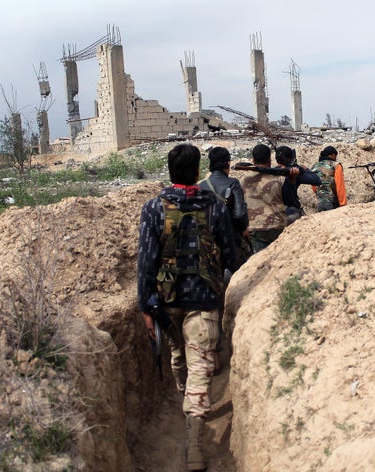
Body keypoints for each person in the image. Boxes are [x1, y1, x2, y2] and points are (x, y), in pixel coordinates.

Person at [137, 143, 237, 471]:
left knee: (179, 355)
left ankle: (189, 427)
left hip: (166, 300)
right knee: (198, 364)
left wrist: (145, 306)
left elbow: (146, 261)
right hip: (204, 298)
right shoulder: (216, 206)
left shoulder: (152, 208)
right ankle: (193, 428)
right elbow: (229, 253)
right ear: (198, 172)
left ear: (169, 170)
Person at [198, 146, 251, 267]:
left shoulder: (201, 186)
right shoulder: (233, 183)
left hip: (207, 242)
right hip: (231, 240)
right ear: (228, 163)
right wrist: (243, 229)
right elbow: (239, 214)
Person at [240, 144, 291, 252]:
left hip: (254, 227)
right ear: (269, 160)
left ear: (253, 160)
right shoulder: (280, 179)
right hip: (277, 226)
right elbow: (290, 202)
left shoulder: (243, 180)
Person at [274, 145, 321, 223]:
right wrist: (306, 169)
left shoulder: (272, 171)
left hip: (275, 212)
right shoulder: (294, 173)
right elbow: (317, 180)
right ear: (289, 159)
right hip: (291, 211)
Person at [310, 145, 347, 211]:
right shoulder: (336, 165)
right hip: (332, 203)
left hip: (320, 203)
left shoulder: (314, 166)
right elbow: (340, 186)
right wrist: (343, 204)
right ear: (333, 155)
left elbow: (314, 187)